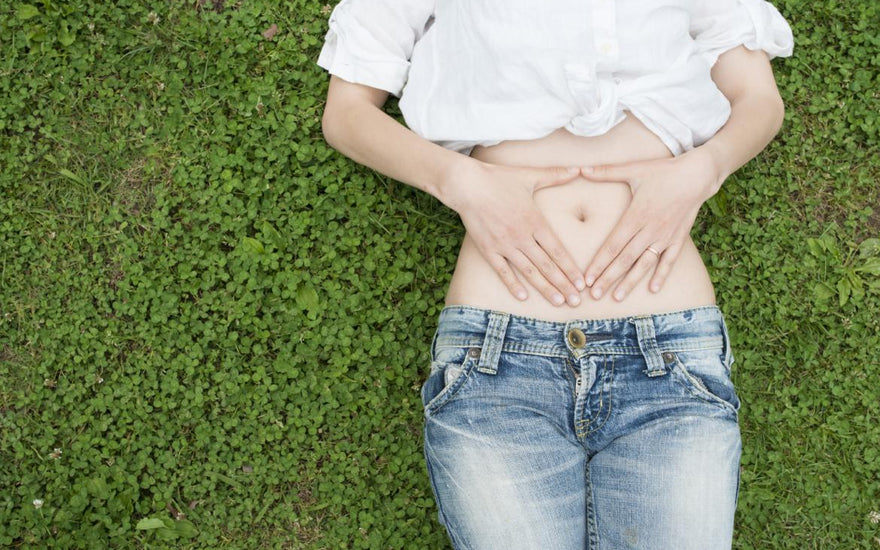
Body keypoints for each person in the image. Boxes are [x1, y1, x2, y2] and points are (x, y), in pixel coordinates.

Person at [316, 1, 793, 548]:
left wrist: (703, 171)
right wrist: (460, 182)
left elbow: (758, 99)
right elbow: (347, 112)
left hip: (667, 356)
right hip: (496, 357)